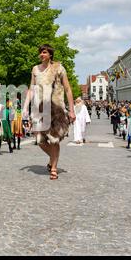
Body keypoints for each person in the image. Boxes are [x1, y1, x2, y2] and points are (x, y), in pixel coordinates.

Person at [23, 44, 76, 180]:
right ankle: (53, 159)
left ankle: (53, 168)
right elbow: (31, 88)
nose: (41, 54)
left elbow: (68, 89)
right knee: (40, 140)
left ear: (50, 54)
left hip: (56, 108)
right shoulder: (35, 69)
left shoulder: (59, 68)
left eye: (44, 52)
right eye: (40, 52)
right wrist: (25, 107)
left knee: (54, 140)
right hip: (39, 108)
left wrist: (71, 110)